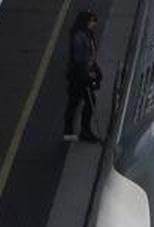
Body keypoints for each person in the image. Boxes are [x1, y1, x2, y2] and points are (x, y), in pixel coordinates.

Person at [64, 11, 102, 142]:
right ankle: (82, 131)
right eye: (92, 21)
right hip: (79, 76)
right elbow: (80, 59)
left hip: (83, 74)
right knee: (79, 102)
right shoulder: (79, 37)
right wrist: (89, 74)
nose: (94, 24)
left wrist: (95, 69)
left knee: (75, 102)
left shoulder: (87, 34)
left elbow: (90, 56)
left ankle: (73, 131)